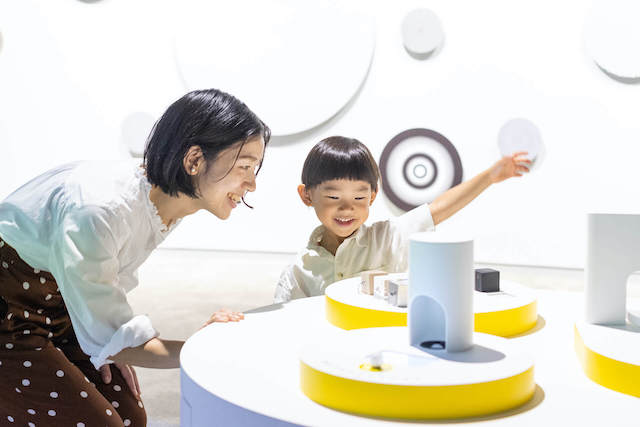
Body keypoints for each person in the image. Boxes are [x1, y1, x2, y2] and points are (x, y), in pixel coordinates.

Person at [0, 88, 270, 426]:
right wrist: (197, 346)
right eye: (245, 166)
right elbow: (109, 332)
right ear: (194, 160)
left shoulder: (161, 200)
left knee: (130, 416)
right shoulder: (101, 209)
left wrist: (113, 339)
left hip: (60, 308)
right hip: (8, 313)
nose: (252, 183)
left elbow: (105, 295)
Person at [274, 136, 530, 302]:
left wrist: (490, 177)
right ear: (306, 195)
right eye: (333, 197)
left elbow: (437, 210)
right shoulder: (298, 271)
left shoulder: (388, 237)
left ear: (373, 196)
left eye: (359, 198)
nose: (347, 209)